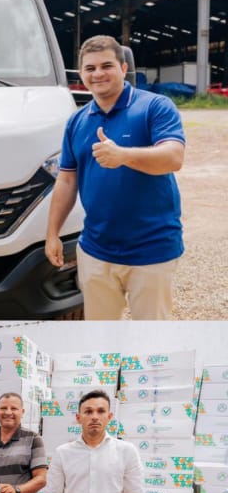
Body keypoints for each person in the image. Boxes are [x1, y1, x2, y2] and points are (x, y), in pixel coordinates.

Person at [45, 34, 186, 320]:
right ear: (81, 74)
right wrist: (52, 234)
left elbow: (173, 158)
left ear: (124, 69)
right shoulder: (77, 121)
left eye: (106, 66)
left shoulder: (155, 107)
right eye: (90, 68)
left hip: (152, 249)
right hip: (97, 250)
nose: (98, 74)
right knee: (102, 340)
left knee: (153, 343)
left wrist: (123, 155)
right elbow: (67, 180)